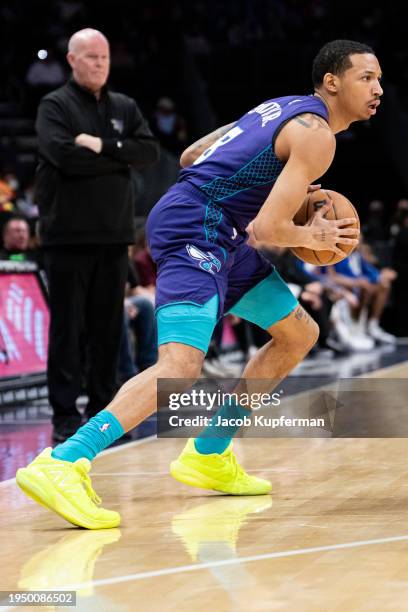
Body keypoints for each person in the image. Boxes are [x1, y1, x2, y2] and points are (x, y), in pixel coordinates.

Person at [17, 40, 381, 529]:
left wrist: (257, 188)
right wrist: (311, 234)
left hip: (218, 230)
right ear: (332, 82)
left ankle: (209, 453)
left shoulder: (281, 108)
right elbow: (268, 232)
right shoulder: (317, 136)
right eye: (367, 78)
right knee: (180, 366)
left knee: (298, 333)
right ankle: (63, 463)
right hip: (197, 225)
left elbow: (191, 155)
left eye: (379, 79)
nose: (378, 88)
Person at [32, 28, 159, 443]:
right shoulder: (55, 106)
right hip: (67, 236)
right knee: (68, 329)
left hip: (113, 235)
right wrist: (117, 157)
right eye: (90, 57)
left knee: (109, 329)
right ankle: (65, 416)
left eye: (104, 57)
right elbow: (63, 157)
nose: (99, 64)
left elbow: (147, 152)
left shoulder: (124, 105)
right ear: (71, 60)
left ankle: (104, 412)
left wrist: (101, 147)